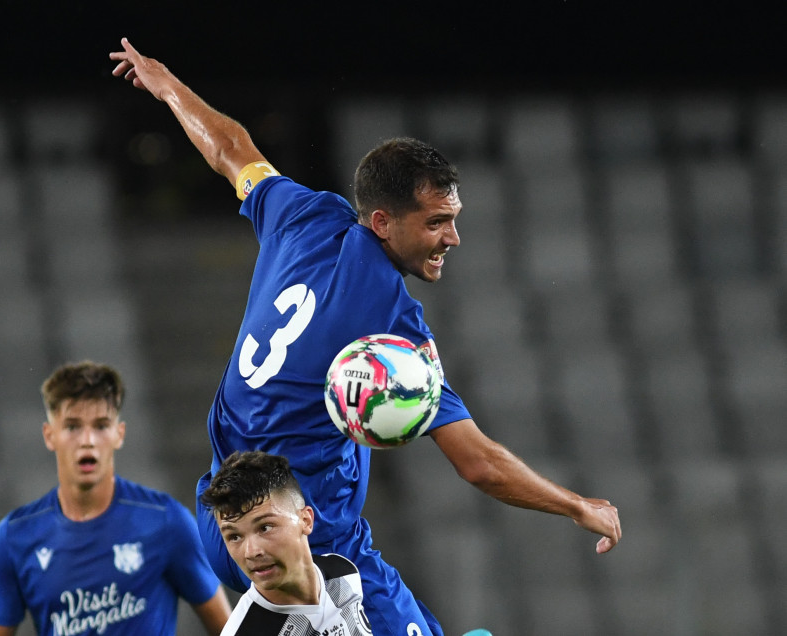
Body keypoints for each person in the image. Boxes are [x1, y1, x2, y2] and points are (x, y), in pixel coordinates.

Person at [110, 38, 621, 636]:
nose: (452, 238)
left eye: (453, 219)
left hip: (223, 526)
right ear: (383, 222)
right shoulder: (393, 326)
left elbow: (230, 150)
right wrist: (577, 506)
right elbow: (479, 465)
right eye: (436, 222)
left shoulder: (303, 216)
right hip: (307, 541)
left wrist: (169, 86)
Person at [0, 360, 232, 636]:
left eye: (101, 425)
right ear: (49, 436)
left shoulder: (166, 521)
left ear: (118, 434)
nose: (87, 440)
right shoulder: (13, 537)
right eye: (73, 427)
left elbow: (226, 630)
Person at [201, 450, 374, 636]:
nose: (251, 552)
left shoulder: (342, 573)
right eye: (234, 537)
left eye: (265, 527)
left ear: (306, 520)